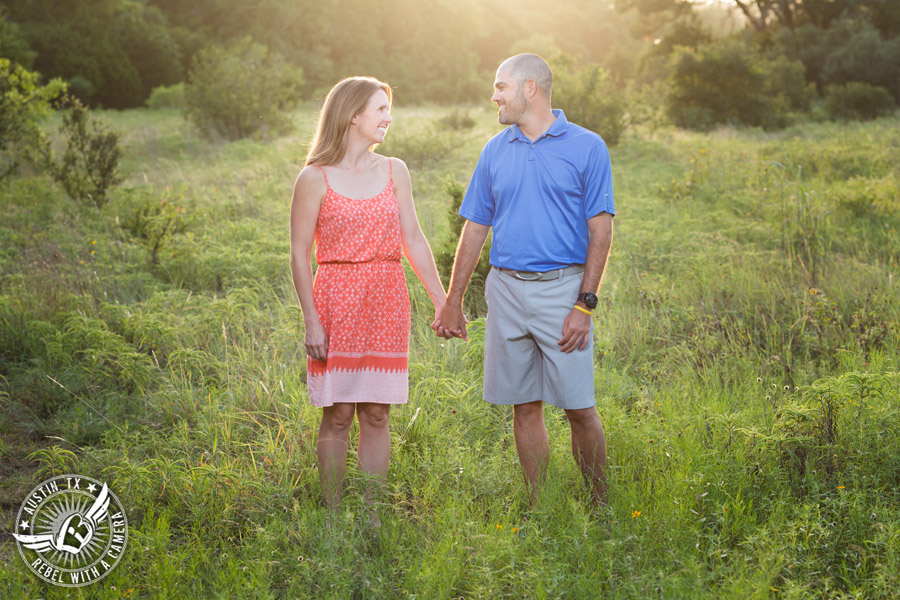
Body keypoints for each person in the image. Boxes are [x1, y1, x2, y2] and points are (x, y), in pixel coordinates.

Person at [433, 54, 614, 506]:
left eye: (501, 87)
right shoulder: (496, 149)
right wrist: (453, 300)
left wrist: (583, 305)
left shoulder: (588, 146)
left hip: (563, 291)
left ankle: (601, 506)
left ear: (530, 88)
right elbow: (475, 229)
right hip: (506, 289)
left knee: (579, 408)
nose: (494, 96)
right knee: (524, 404)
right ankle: (540, 505)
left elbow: (601, 231)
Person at [290, 76, 447, 509]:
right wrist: (311, 320)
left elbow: (413, 239)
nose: (388, 118)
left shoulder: (395, 170)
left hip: (386, 299)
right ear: (352, 114)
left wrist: (442, 299)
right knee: (338, 413)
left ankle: (373, 513)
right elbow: (299, 254)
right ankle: (334, 515)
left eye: (387, 110)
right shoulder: (314, 177)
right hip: (336, 301)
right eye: (380, 110)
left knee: (377, 413)